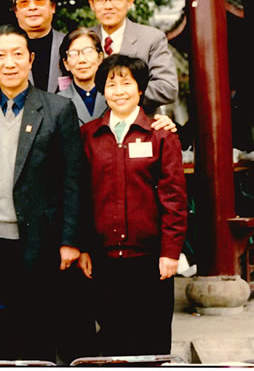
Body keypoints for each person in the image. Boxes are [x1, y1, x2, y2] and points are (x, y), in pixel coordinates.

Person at [0, 24, 83, 362]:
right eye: (0, 55)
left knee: (37, 331)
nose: (10, 63)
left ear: (31, 59)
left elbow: (73, 179)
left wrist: (70, 240)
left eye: (18, 54)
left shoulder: (58, 109)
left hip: (41, 243)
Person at [79, 54, 187, 356]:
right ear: (102, 90)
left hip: (150, 258)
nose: (119, 91)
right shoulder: (89, 135)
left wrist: (170, 251)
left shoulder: (160, 134)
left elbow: (174, 198)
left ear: (140, 88)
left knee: (151, 341)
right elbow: (81, 197)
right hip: (104, 259)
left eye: (126, 83)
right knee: (112, 341)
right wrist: (84, 247)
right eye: (111, 84)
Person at [88, 0, 179, 112]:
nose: (108, 6)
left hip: (139, 121)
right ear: (92, 4)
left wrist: (121, 95)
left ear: (129, 1)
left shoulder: (152, 38)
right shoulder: (83, 39)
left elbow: (167, 88)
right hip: (91, 122)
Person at [8, 0, 66, 93]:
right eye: (24, 2)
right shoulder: (3, 49)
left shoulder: (69, 45)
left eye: (39, 0)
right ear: (16, 11)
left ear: (53, 6)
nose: (32, 7)